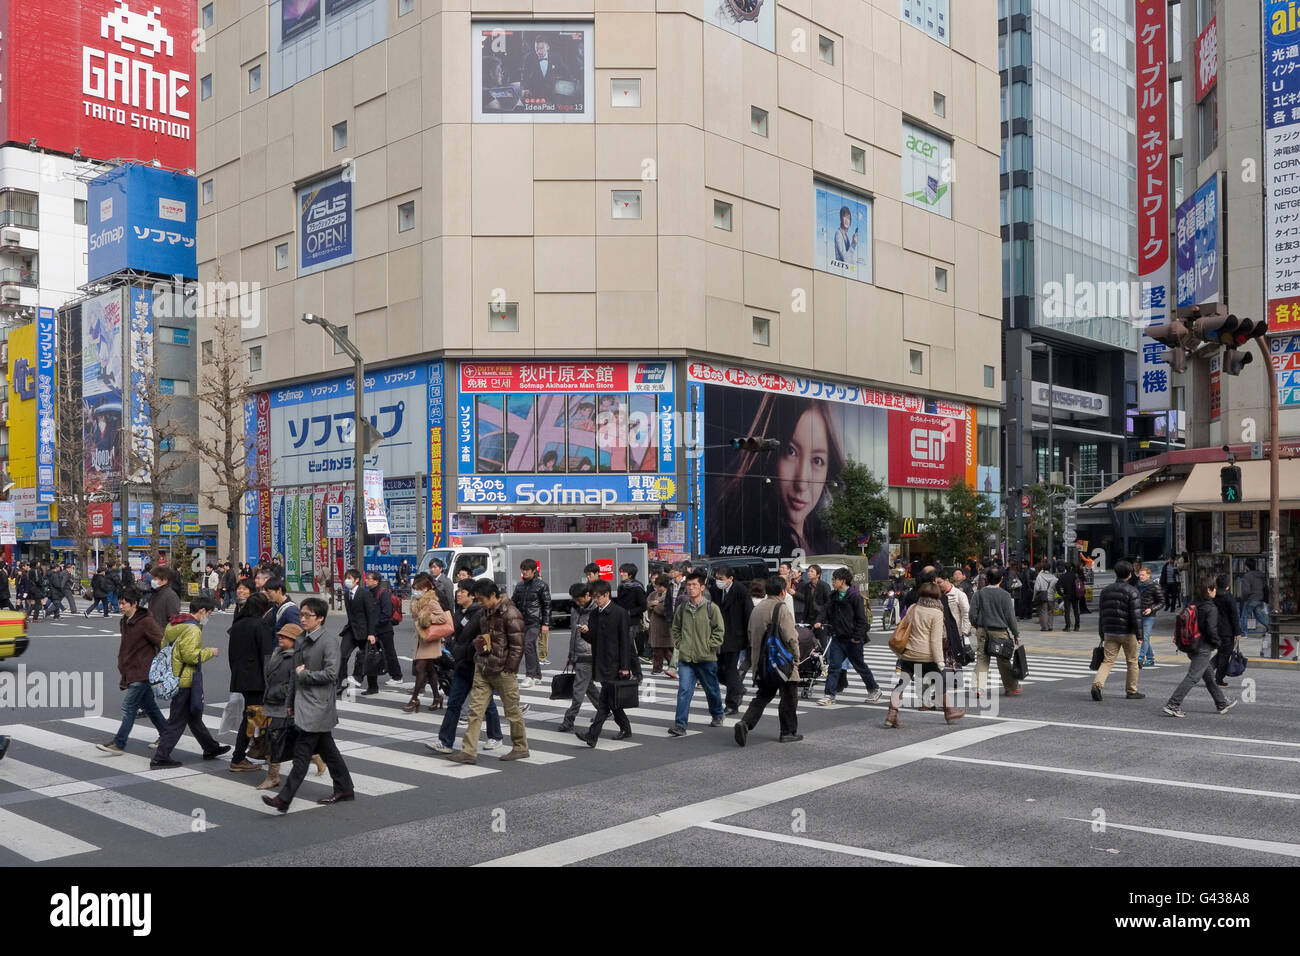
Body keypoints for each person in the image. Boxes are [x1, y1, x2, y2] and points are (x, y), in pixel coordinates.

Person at [707, 394, 845, 556]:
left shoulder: (826, 539)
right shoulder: (747, 534)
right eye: (790, 451)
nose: (801, 483)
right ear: (768, 454)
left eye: (817, 460)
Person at [262, 597, 357, 811]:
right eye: (302, 614)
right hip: (302, 704)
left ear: (320, 618)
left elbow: (332, 674)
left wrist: (306, 674)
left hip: (318, 706)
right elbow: (293, 678)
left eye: (307, 615)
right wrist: (289, 702)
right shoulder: (301, 639)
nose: (303, 619)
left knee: (301, 756)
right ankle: (345, 788)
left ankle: (284, 800)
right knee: (328, 751)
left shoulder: (328, 642)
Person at [446, 580, 530, 764]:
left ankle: (520, 747)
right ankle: (468, 752)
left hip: (503, 671)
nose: (480, 602)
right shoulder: (484, 613)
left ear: (493, 595)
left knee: (512, 711)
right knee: (475, 711)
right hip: (483, 667)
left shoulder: (511, 613)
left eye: (482, 599)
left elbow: (518, 645)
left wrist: (509, 668)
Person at [149, 597, 230, 769]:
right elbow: (190, 656)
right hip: (185, 679)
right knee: (177, 720)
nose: (208, 617)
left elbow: (165, 646)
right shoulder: (193, 629)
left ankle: (210, 748)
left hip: (174, 676)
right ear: (202, 610)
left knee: (193, 717)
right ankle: (160, 757)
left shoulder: (173, 625)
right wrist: (210, 652)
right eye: (209, 613)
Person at [426, 580, 504, 754]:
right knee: (454, 703)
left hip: (475, 665)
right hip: (461, 665)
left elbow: (476, 640)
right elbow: (450, 634)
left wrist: (456, 647)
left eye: (462, 591)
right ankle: (445, 742)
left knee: (486, 703)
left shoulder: (479, 614)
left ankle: (495, 736)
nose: (458, 594)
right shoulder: (459, 614)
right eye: (458, 591)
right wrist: (453, 645)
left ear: (472, 595)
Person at [97, 587, 168, 755]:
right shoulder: (124, 621)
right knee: (149, 706)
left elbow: (162, 641)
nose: (121, 607)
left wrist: (159, 664)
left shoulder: (146, 622)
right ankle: (167, 733)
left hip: (142, 671)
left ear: (134, 604)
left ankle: (119, 744)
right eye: (119, 603)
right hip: (130, 670)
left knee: (129, 707)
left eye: (124, 604)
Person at [735, 575, 802, 745]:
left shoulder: (757, 609)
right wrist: (796, 657)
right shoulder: (781, 608)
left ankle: (745, 723)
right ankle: (787, 732)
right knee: (789, 696)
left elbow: (750, 636)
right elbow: (791, 636)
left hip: (762, 662)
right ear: (782, 591)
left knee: (763, 695)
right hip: (781, 661)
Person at [885, 581, 959, 727]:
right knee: (940, 683)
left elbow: (904, 626)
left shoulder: (913, 608)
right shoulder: (937, 613)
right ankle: (949, 713)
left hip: (908, 655)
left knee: (901, 684)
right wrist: (940, 661)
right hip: (927, 656)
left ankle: (891, 714)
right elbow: (935, 640)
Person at [576, 580, 639, 747]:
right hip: (600, 662)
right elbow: (593, 639)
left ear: (607, 595)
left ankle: (592, 735)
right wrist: (585, 633)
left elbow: (625, 642)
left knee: (604, 702)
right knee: (612, 700)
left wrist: (626, 667)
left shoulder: (619, 613)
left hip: (616, 663)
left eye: (598, 597)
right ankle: (626, 728)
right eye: (594, 597)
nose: (596, 600)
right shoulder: (595, 614)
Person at [1162, 578, 1237, 718]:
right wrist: (1217, 643)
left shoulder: (1192, 603)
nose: (1215, 591)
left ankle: (1221, 703)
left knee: (1208, 675)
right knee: (1193, 677)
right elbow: (1211, 629)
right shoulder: (1210, 607)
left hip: (1191, 644)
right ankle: (1173, 704)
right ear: (1209, 590)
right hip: (1202, 647)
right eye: (1213, 588)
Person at [668, 570, 726, 736]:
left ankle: (717, 713)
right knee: (684, 690)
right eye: (689, 585)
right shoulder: (682, 608)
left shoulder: (711, 608)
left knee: (712, 689)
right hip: (686, 657)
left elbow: (719, 631)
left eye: (694, 585)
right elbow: (676, 628)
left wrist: (709, 646)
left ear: (702, 587)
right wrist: (679, 644)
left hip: (706, 657)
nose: (691, 588)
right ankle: (680, 725)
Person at [226, 592, 276, 772]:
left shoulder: (237, 625)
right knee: (253, 719)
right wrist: (270, 679)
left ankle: (259, 753)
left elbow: (231, 654)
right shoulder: (260, 625)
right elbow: (267, 656)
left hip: (241, 677)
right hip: (257, 679)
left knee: (253, 717)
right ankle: (239, 757)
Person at [818, 568, 880, 706]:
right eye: (833, 579)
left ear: (843, 581)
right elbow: (825, 610)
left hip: (852, 639)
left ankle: (874, 689)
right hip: (837, 637)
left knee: (860, 666)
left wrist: (856, 637)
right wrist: (819, 621)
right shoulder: (833, 596)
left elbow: (861, 620)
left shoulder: (855, 596)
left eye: (835, 579)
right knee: (834, 666)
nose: (832, 581)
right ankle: (829, 695)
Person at [256, 621, 303, 791]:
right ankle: (317, 756)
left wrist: (281, 694)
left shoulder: (296, 658)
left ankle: (273, 776)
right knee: (294, 738)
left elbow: (295, 683)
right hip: (273, 701)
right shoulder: (277, 652)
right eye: (279, 635)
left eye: (284, 636)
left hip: (285, 704)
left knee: (275, 738)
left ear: (294, 639)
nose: (280, 638)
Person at [1092, 559, 1143, 702]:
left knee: (1107, 661)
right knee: (1132, 661)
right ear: (1129, 574)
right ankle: (1131, 691)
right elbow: (1136, 616)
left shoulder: (1105, 591)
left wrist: (1101, 633)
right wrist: (1140, 635)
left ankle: (1097, 685)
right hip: (1128, 632)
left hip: (1110, 632)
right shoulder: (1133, 591)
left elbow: (1102, 614)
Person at [969, 566, 1021, 698]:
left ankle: (979, 688)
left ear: (986, 579)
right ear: (1001, 579)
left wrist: (978, 625)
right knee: (1003, 659)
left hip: (982, 630)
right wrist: (1016, 633)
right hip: (1000, 631)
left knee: (982, 658)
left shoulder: (978, 593)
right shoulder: (1005, 595)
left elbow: (972, 614)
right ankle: (1011, 687)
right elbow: (1010, 617)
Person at [558, 584, 603, 733]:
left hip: (588, 653)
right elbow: (573, 635)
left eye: (579, 600)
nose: (577, 602)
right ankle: (604, 709)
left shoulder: (596, 611)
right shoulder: (575, 610)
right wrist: (571, 655)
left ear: (588, 595)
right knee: (588, 686)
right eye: (575, 600)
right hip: (578, 653)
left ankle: (569, 719)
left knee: (578, 689)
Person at [405, 572, 451, 713]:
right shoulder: (417, 601)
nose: (415, 591)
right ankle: (437, 697)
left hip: (430, 640)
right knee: (430, 670)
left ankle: (414, 699)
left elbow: (443, 618)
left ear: (425, 588)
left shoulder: (431, 601)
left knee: (420, 669)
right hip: (421, 640)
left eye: (418, 588)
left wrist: (428, 618)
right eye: (414, 588)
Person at [713, 566, 752, 716]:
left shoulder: (740, 590)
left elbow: (748, 613)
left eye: (721, 579)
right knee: (716, 670)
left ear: (730, 579)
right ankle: (738, 688)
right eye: (716, 578)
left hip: (735, 636)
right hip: (718, 635)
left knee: (730, 669)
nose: (718, 582)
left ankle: (732, 704)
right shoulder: (715, 590)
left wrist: (749, 638)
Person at [510, 558, 550, 688]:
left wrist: (546, 624)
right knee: (529, 646)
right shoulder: (520, 585)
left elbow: (547, 605)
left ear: (534, 571)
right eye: (522, 569)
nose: (524, 572)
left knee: (528, 645)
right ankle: (537, 675)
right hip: (522, 621)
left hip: (535, 621)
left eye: (527, 570)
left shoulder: (541, 585)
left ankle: (530, 675)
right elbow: (513, 602)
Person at [337, 568, 377, 695]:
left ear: (357, 580)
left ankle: (373, 686)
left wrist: (371, 633)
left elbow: (371, 615)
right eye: (346, 578)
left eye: (349, 578)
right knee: (342, 655)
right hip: (351, 630)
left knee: (368, 657)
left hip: (364, 631)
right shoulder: (346, 594)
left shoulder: (365, 594)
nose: (347, 581)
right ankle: (340, 684)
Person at [364, 570, 402, 693]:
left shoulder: (383, 593)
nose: (367, 580)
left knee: (389, 653)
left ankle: (397, 676)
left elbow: (387, 613)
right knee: (371, 655)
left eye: (369, 579)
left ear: (376, 581)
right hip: (373, 630)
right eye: (367, 578)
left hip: (384, 629)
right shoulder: (369, 593)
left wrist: (374, 624)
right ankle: (372, 684)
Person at [614, 563, 649, 663]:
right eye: (621, 571)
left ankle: (634, 669)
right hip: (621, 619)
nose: (621, 573)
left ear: (630, 575)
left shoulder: (637, 587)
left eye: (624, 572)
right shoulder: (621, 586)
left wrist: (629, 612)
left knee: (628, 645)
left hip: (633, 620)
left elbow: (643, 606)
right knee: (624, 644)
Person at [1212, 573, 1242, 688]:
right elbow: (1234, 616)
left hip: (1215, 629)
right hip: (1227, 631)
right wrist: (1237, 632)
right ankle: (1218, 678)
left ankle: (1207, 670)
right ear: (1228, 586)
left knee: (1221, 652)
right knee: (1225, 655)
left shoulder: (1214, 596)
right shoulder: (1229, 597)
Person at [1135, 565, 1164, 669]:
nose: (1141, 577)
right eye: (1140, 575)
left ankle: (1140, 659)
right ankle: (1150, 659)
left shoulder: (1155, 586)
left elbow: (1161, 602)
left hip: (1149, 615)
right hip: (1138, 615)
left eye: (1143, 575)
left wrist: (1151, 609)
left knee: (1145, 637)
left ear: (1148, 575)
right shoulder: (1137, 585)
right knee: (1143, 638)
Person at [646, 574, 674, 676]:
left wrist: (654, 605)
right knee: (662, 648)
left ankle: (658, 668)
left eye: (658, 586)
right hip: (654, 624)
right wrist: (653, 604)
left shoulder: (668, 595)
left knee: (659, 649)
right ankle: (672, 666)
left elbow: (664, 610)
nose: (656, 588)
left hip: (664, 625)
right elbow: (648, 602)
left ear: (663, 586)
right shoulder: (654, 594)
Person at [1236, 558, 1270, 644]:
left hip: (1251, 599)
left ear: (1246, 566)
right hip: (1260, 598)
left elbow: (1245, 591)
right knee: (1259, 616)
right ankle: (1270, 627)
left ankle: (1244, 633)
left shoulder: (1247, 576)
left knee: (1244, 616)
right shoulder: (1261, 575)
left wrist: (1243, 598)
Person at [148, 566, 180, 633]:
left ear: (165, 580)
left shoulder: (170, 596)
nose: (153, 581)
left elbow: (174, 619)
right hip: (153, 633)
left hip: (162, 636)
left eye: (155, 579)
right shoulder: (156, 592)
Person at [1057, 561, 1080, 631]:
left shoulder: (1063, 576)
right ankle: (1077, 626)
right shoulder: (1075, 575)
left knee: (1067, 611)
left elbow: (1057, 586)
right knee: (1076, 611)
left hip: (1067, 595)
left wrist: (1061, 594)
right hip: (1075, 595)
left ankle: (1068, 626)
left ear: (1065, 568)